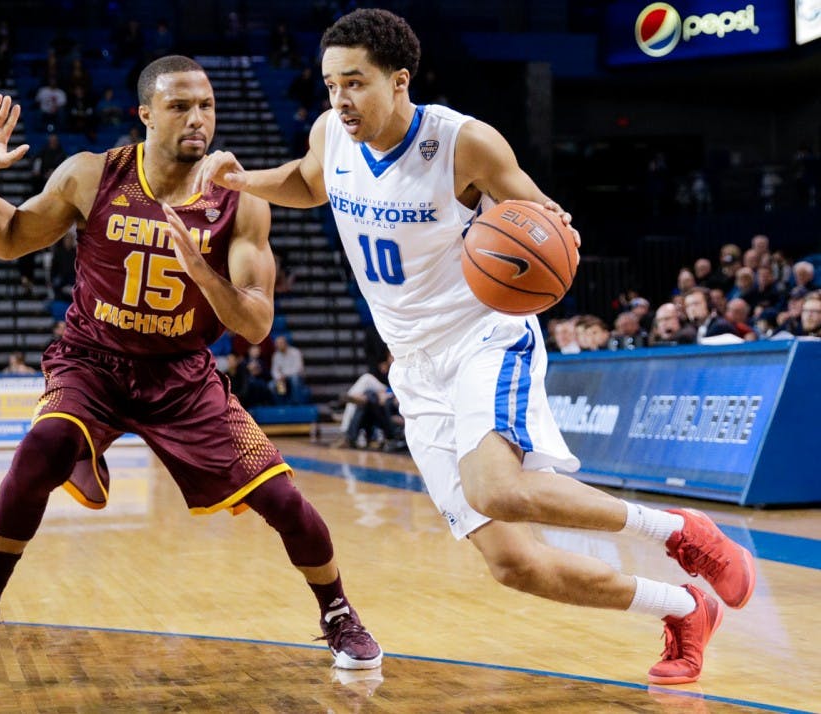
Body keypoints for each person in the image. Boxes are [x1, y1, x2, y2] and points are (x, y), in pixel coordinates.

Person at [195, 9, 755, 685]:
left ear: (399, 81)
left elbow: (545, 223)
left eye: (356, 83)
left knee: (496, 487)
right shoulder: (331, 135)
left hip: (483, 336)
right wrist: (242, 181)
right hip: (414, 365)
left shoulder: (463, 143)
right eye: (330, 84)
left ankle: (681, 533)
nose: (340, 99)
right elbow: (311, 181)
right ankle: (684, 608)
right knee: (514, 565)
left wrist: (543, 232)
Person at [0, 55, 381, 671]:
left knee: (284, 499)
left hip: (182, 374)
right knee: (42, 446)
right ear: (146, 114)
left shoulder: (240, 201)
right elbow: (6, 240)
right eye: (180, 106)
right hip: (91, 361)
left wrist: (199, 268)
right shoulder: (91, 175)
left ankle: (338, 613)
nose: (198, 119)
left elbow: (256, 323)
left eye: (206, 105)